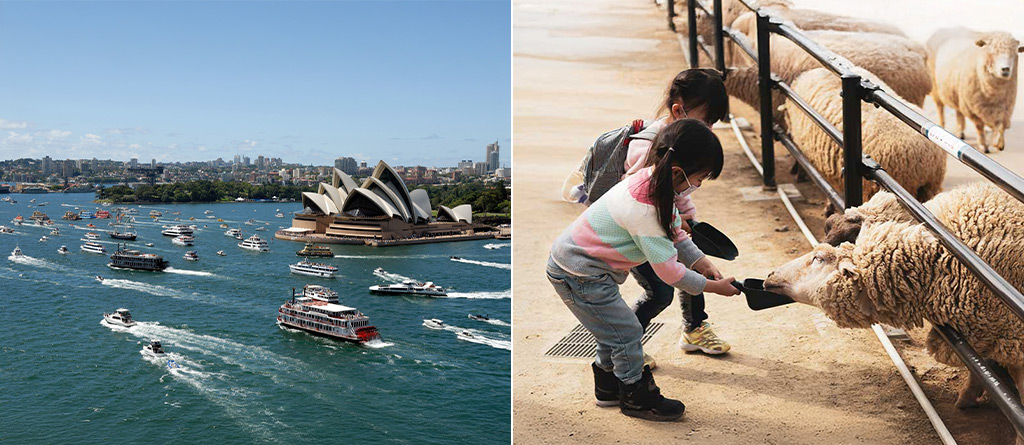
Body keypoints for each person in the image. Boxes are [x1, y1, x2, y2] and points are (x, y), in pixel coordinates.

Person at [547, 119, 741, 421]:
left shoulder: (655, 182)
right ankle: (637, 396)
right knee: (627, 332)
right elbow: (671, 274)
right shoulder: (645, 209)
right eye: (700, 178)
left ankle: (608, 386)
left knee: (613, 330)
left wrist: (701, 261)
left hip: (585, 268)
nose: (700, 185)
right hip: (579, 273)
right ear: (679, 173)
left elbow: (675, 233)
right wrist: (713, 287)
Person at [623, 69, 732, 366]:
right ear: (678, 110)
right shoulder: (647, 148)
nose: (710, 128)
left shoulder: (688, 138)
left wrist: (684, 223)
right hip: (641, 233)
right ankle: (625, 347)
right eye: (707, 120)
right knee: (659, 293)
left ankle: (694, 329)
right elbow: (636, 200)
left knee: (695, 268)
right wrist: (673, 219)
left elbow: (679, 192)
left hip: (672, 225)